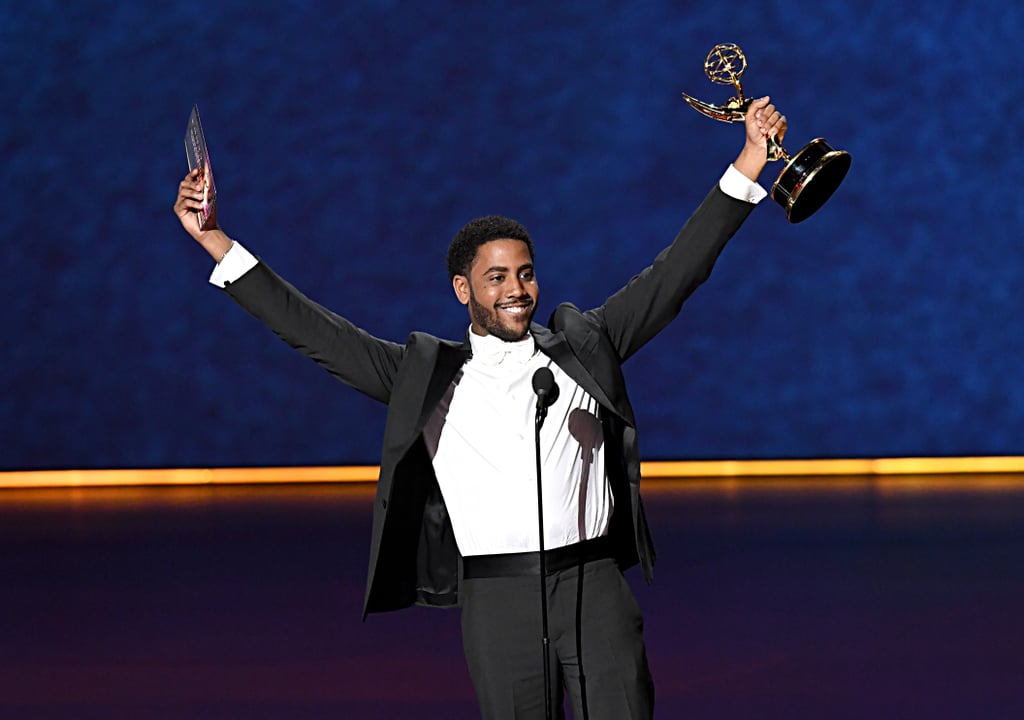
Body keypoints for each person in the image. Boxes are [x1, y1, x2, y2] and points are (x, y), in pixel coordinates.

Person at [174, 96, 787, 720]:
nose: (516, 290)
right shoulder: (429, 377)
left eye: (525, 273)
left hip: (594, 586)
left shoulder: (584, 345)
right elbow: (312, 330)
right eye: (496, 278)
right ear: (463, 289)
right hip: (499, 599)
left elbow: (674, 274)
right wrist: (217, 241)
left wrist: (747, 164)